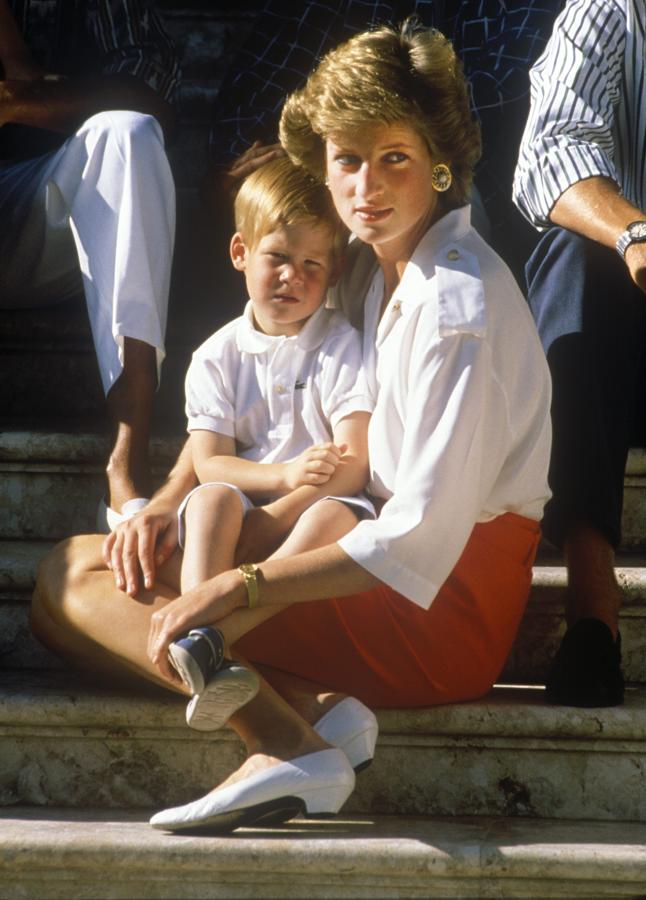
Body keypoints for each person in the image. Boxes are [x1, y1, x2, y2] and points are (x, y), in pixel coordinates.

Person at [32, 20, 552, 834]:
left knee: (73, 589)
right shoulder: (380, 272)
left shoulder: (458, 309)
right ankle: (320, 712)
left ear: (441, 163)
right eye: (347, 159)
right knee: (78, 570)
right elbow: (239, 430)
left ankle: (284, 744)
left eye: (395, 158)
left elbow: (418, 542)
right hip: (358, 563)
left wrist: (235, 587)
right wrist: (168, 499)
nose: (365, 187)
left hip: (437, 609)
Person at [171, 156, 374, 728]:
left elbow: (354, 463)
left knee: (337, 517)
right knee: (209, 501)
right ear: (240, 253)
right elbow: (210, 463)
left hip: (320, 500)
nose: (294, 276)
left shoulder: (340, 344)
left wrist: (286, 509)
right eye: (278, 258)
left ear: (334, 273)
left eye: (313, 264)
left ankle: (217, 639)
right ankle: (199, 631)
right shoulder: (215, 355)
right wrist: (280, 479)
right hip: (258, 493)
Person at [0, 0, 180, 526]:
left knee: (129, 133)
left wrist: (19, 92)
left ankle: (128, 448)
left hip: (43, 216)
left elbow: (152, 96)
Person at [512, 0, 645, 707]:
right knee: (575, 256)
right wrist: (635, 235)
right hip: (627, 329)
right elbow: (550, 151)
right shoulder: (614, 11)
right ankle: (594, 611)